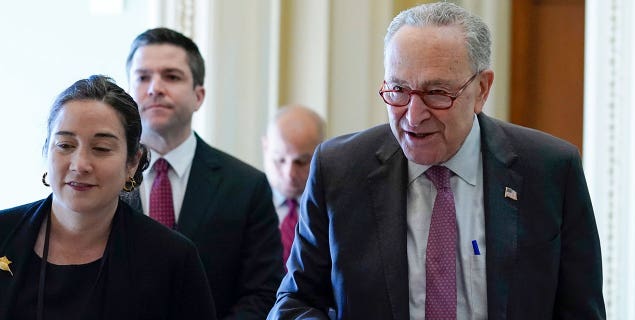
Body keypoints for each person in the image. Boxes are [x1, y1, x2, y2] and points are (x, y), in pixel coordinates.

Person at [268, 2, 606, 320]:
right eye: (398, 91)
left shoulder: (549, 170)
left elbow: (580, 309)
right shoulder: (340, 169)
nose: (413, 117)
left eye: (437, 94)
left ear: (482, 90)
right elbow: (295, 302)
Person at [0, 75, 216, 319]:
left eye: (101, 149)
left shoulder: (172, 258)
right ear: (46, 150)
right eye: (65, 145)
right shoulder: (4, 233)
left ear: (132, 163)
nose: (80, 165)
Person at [123, 27, 283, 319]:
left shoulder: (247, 187)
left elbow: (263, 292)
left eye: (171, 76)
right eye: (143, 77)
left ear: (199, 96)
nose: (154, 88)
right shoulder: (101, 180)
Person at [262, 105, 325, 265]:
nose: (289, 174)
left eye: (301, 162)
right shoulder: (243, 203)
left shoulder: (335, 207)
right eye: (280, 160)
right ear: (265, 147)